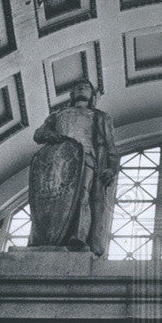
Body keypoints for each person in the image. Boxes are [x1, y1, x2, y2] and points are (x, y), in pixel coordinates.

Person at [28, 79, 119, 254]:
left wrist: (112, 168)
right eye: (77, 87)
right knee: (50, 197)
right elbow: (39, 134)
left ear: (92, 95)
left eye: (85, 87)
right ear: (72, 94)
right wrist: (49, 134)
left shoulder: (100, 116)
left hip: (87, 159)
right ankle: (44, 237)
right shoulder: (59, 114)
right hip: (57, 161)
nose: (80, 89)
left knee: (81, 197)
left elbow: (110, 146)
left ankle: (79, 237)